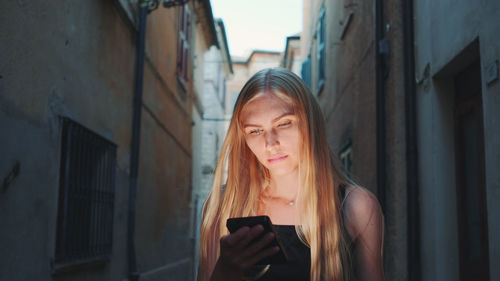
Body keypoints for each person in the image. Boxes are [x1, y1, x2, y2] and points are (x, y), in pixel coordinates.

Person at [198, 67, 384, 281]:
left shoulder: (357, 206)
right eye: (255, 131)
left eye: (284, 123)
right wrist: (227, 269)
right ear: (243, 138)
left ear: (310, 123)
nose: (270, 143)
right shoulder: (223, 206)